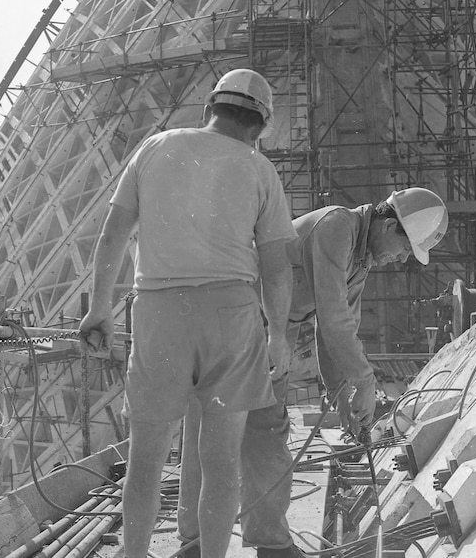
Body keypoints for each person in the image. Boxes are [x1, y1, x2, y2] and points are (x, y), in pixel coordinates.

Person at [79, 68, 296, 558]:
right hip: (232, 316)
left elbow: (112, 235)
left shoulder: (156, 148)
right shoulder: (260, 170)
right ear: (259, 127)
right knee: (220, 466)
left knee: (146, 460)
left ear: (209, 110)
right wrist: (277, 335)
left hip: (158, 312)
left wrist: (99, 308)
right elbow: (276, 267)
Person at [177, 187, 449, 557]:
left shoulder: (360, 257)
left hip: (264, 329)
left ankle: (230, 541)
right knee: (237, 432)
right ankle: (235, 545)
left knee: (240, 430)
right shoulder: (337, 226)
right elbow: (334, 316)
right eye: (404, 250)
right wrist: (364, 382)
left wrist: (342, 395)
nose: (401, 260)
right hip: (236, 318)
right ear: (389, 226)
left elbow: (334, 327)